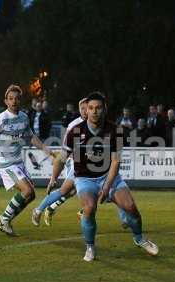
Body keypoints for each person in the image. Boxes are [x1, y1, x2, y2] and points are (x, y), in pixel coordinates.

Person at [47, 91, 158, 261]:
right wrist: (53, 177)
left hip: (109, 177)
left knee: (130, 208)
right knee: (89, 209)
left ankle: (139, 239)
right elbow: (62, 158)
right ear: (86, 110)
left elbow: (116, 161)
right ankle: (90, 247)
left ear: (104, 109)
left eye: (98, 108)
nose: (94, 111)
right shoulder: (75, 132)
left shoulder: (116, 131)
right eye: (91, 108)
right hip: (84, 179)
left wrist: (107, 186)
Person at [32, 97, 128, 227]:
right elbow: (67, 149)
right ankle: (40, 209)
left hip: (98, 166)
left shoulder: (101, 125)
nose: (85, 111)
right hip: (79, 165)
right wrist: (54, 176)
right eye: (82, 108)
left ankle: (123, 218)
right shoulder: (75, 126)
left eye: (86, 108)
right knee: (65, 191)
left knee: (109, 188)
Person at [0, 84, 53, 236]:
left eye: (16, 98)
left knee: (31, 195)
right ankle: (3, 219)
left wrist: (45, 149)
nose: (14, 101)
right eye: (11, 99)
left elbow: (31, 137)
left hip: (18, 163)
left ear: (20, 100)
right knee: (27, 190)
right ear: (6, 101)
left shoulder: (23, 117)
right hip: (6, 164)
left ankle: (6, 220)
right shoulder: (1, 119)